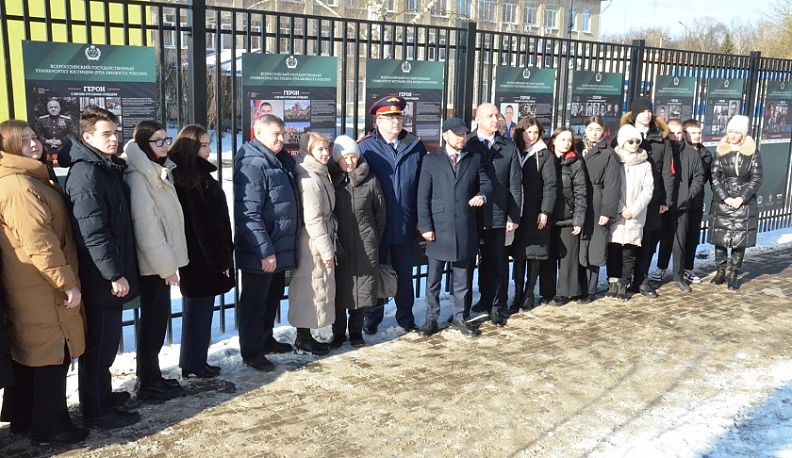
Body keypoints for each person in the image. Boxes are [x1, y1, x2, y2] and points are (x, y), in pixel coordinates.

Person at [0, 121, 88, 445]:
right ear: (9, 148)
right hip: (42, 286)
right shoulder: (20, 186)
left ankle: (24, 420)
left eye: (34, 137)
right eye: (23, 141)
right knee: (54, 354)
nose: (34, 144)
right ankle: (52, 429)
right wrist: (67, 283)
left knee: (31, 354)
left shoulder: (25, 179)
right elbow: (40, 243)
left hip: (30, 284)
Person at [65, 106, 141, 429]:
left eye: (115, 131)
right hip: (101, 277)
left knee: (107, 342)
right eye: (106, 133)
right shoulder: (87, 174)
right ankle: (97, 410)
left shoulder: (104, 168)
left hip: (108, 274)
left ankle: (102, 396)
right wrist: (114, 273)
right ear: (87, 137)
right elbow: (93, 232)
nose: (114, 138)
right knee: (100, 345)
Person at [122, 121, 188, 400]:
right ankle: (148, 382)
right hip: (153, 266)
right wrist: (166, 267)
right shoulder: (139, 176)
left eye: (166, 139)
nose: (165, 145)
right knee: (153, 324)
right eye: (158, 141)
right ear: (144, 144)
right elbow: (147, 227)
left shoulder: (155, 170)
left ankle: (153, 376)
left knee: (157, 322)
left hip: (159, 263)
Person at [168, 125, 235, 379]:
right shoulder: (192, 179)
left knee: (199, 310)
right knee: (198, 310)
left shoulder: (193, 174)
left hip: (199, 255)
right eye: (204, 145)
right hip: (201, 257)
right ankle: (193, 363)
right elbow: (204, 225)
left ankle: (195, 361)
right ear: (192, 148)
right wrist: (220, 260)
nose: (209, 149)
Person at [234, 114, 299, 371]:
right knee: (254, 302)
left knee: (271, 298)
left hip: (277, 246)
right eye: (276, 134)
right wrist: (265, 251)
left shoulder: (277, 161)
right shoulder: (253, 164)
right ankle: (251, 351)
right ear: (258, 133)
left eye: (283, 134)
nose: (281, 139)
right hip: (262, 251)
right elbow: (248, 214)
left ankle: (265, 339)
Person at [417, 118, 492, 337]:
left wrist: (482, 196)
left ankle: (460, 317)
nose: (462, 138)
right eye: (458, 134)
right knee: (433, 279)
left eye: (464, 134)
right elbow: (423, 196)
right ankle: (431, 318)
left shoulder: (474, 158)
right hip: (439, 228)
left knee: (463, 277)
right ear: (445, 135)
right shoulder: (431, 160)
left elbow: (486, 184)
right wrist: (426, 226)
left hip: (464, 225)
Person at [359, 96, 426, 335]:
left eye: (398, 117)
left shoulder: (414, 146)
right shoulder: (365, 147)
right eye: (389, 118)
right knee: (376, 271)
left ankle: (405, 317)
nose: (395, 122)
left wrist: (421, 216)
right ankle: (372, 316)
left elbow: (422, 184)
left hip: (406, 221)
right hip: (376, 224)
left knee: (405, 273)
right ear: (378, 120)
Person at [329, 135, 386, 348]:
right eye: (345, 158)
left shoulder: (370, 180)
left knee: (361, 292)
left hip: (365, 244)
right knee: (338, 292)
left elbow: (380, 214)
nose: (350, 162)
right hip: (339, 245)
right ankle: (337, 333)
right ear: (337, 160)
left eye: (353, 157)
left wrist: (372, 238)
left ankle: (355, 332)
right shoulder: (330, 181)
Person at [615, 96, 673, 298]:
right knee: (627, 243)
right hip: (627, 199)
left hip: (651, 199)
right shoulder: (624, 135)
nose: (647, 114)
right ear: (634, 114)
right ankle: (624, 279)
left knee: (647, 241)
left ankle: (641, 280)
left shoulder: (660, 138)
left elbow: (667, 170)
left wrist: (666, 199)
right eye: (642, 111)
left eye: (649, 111)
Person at [468, 103, 522, 320]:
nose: (495, 119)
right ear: (478, 119)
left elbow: (515, 184)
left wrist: (513, 216)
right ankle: (484, 298)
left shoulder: (507, 147)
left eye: (496, 115)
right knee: (477, 262)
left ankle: (498, 305)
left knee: (497, 261)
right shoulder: (468, 144)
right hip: (472, 215)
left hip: (499, 215)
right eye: (489, 115)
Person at [288, 132, 337, 356]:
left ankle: (306, 337)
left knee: (314, 289)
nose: (326, 153)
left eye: (327, 148)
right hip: (312, 244)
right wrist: (327, 250)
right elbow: (314, 219)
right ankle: (303, 338)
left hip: (318, 240)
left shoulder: (319, 173)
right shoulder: (308, 179)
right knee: (309, 289)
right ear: (309, 152)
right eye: (320, 149)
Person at [708, 115, 763, 290]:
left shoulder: (752, 152)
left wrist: (741, 197)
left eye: (736, 132)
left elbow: (757, 177)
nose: (732, 135)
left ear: (743, 134)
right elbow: (715, 176)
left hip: (743, 201)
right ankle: (720, 271)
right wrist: (726, 197)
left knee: (740, 241)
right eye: (730, 131)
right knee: (720, 238)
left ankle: (734, 273)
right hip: (723, 200)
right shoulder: (721, 150)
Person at [508, 117, 556, 313]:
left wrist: (545, 211)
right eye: (529, 132)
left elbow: (551, 185)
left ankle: (529, 293)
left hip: (535, 212)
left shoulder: (544, 155)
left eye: (536, 132)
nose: (532, 136)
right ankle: (517, 292)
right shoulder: (515, 152)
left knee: (534, 254)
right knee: (519, 254)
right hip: (518, 211)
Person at [650, 119, 704, 292]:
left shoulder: (691, 154)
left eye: (679, 133)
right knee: (659, 240)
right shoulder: (660, 151)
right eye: (672, 133)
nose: (675, 136)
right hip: (660, 204)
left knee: (679, 242)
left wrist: (687, 196)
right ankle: (660, 268)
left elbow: (698, 177)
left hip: (682, 205)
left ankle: (679, 276)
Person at [576, 116, 620, 303]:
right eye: (591, 129)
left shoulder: (608, 153)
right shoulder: (576, 148)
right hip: (577, 201)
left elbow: (612, 185)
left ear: (603, 132)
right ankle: (575, 286)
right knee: (577, 244)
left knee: (594, 246)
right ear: (585, 130)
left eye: (598, 130)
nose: (594, 133)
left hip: (596, 201)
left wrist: (607, 212)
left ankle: (590, 289)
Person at [607, 125, 654, 300]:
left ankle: (624, 283)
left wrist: (634, 210)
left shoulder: (645, 164)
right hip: (617, 213)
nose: (634, 144)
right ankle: (613, 282)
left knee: (629, 253)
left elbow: (648, 190)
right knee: (614, 250)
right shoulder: (614, 161)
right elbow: (610, 186)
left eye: (637, 141)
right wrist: (620, 208)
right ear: (622, 143)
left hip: (635, 215)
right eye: (630, 141)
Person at [545, 127, 587, 306]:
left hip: (567, 216)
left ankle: (566, 292)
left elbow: (581, 192)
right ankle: (547, 291)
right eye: (562, 139)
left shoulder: (575, 162)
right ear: (554, 140)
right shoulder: (546, 159)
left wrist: (578, 218)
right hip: (547, 215)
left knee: (568, 257)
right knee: (548, 257)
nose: (567, 143)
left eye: (569, 140)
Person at [682, 120, 713, 283]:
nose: (697, 135)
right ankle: (666, 267)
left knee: (693, 235)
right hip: (679, 200)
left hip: (696, 201)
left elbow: (708, 178)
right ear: (685, 133)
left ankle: (688, 268)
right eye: (693, 132)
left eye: (699, 132)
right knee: (675, 237)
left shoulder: (705, 154)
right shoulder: (679, 151)